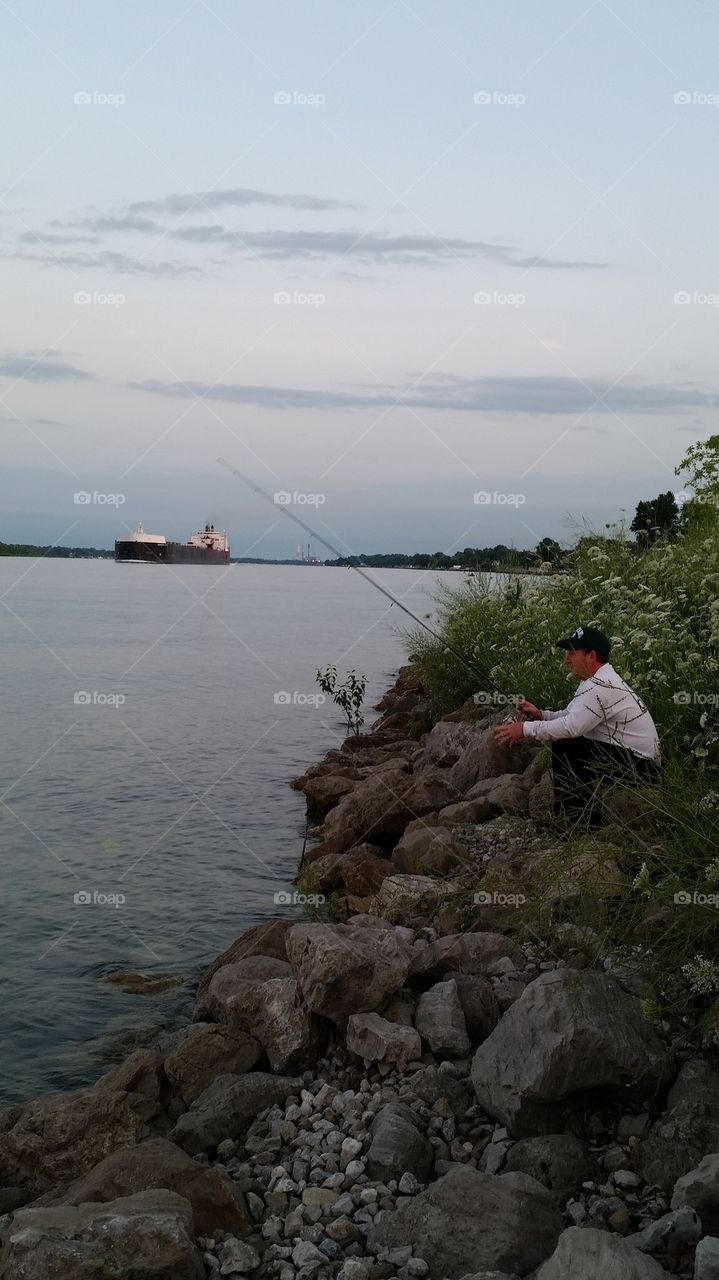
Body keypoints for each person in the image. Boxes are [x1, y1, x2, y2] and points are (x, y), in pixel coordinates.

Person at [493, 625, 660, 825]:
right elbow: (570, 716)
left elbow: (571, 728)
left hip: (644, 769)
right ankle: (576, 815)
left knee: (568, 744)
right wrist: (541, 715)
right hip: (635, 760)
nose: (566, 660)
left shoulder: (601, 686)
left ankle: (579, 822)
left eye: (572, 653)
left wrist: (524, 729)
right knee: (570, 742)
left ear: (591, 656)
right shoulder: (596, 680)